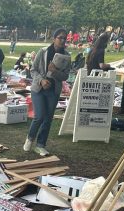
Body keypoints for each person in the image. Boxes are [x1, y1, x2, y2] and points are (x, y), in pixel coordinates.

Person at [24, 28, 71, 156]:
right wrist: (41, 81)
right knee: (39, 116)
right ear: (54, 38)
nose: (62, 40)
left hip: (53, 90)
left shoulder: (66, 56)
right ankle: (30, 138)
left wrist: (55, 71)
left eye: (64, 38)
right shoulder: (43, 52)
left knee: (48, 118)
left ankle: (40, 145)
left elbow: (66, 76)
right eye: (60, 37)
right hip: (39, 89)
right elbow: (33, 70)